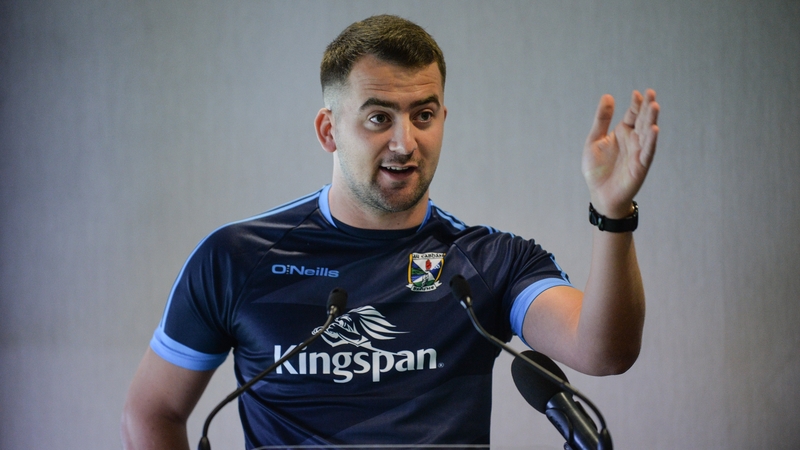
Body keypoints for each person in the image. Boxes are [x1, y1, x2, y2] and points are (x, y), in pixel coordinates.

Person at [121, 14, 659, 449]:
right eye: (379, 118)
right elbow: (153, 413)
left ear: (443, 118)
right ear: (329, 129)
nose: (405, 142)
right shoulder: (236, 258)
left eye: (423, 115)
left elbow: (605, 353)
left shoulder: (490, 260)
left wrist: (613, 212)